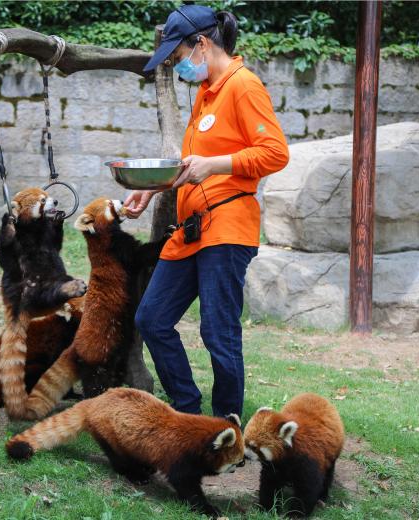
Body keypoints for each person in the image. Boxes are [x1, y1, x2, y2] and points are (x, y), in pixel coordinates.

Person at [126, 4, 289, 418]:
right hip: (191, 230)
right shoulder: (204, 93)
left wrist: (217, 166)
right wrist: (151, 189)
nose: (179, 68)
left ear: (201, 44)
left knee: (218, 332)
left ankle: (226, 427)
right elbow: (191, 165)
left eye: (178, 57)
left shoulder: (243, 86)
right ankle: (188, 412)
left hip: (228, 229)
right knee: (152, 318)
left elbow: (275, 153)